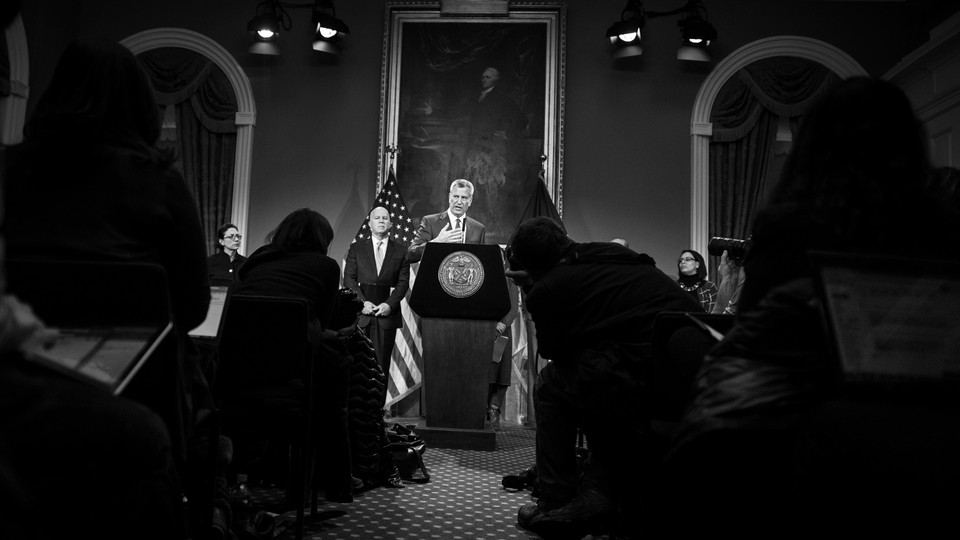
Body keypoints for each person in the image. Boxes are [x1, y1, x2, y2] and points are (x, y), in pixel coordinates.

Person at [658, 77, 960, 536]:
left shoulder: (790, 221)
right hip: (922, 384)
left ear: (813, 145)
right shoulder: (940, 221)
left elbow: (763, 336)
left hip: (806, 389)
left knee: (680, 337)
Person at [504, 216, 701, 539]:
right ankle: (599, 490)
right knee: (596, 372)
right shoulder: (614, 255)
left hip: (635, 382)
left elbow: (555, 351)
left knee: (551, 384)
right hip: (688, 374)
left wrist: (530, 287)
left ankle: (556, 500)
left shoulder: (547, 289)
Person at [230, 208, 355, 502]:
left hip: (239, 368)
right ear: (322, 239)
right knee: (336, 385)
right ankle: (336, 484)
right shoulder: (325, 266)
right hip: (293, 366)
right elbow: (321, 320)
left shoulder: (256, 260)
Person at [342, 206, 411, 381]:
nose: (381, 221)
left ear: (390, 224)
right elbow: (349, 278)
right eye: (377, 218)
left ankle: (378, 408)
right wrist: (361, 303)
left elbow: (403, 283)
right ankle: (356, 408)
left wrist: (390, 304)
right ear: (370, 224)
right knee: (356, 365)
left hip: (386, 317)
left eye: (385, 218)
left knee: (381, 367)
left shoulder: (402, 251)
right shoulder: (356, 249)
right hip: (360, 316)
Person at [462, 67, 527, 231]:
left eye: (488, 77)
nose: (483, 79)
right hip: (476, 148)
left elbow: (521, 120)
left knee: (492, 184)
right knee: (473, 183)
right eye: (483, 76)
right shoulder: (475, 98)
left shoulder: (503, 99)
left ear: (495, 80)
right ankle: (474, 222)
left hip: (493, 149)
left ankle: (493, 222)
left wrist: (506, 133)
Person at [406, 178, 486, 262]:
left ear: (470, 201)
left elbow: (480, 262)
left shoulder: (479, 229)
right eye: (455, 196)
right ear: (449, 197)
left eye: (464, 198)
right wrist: (436, 242)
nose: (459, 202)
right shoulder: (430, 222)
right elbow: (410, 255)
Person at [487, 248, 520, 431]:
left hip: (503, 333)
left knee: (500, 374)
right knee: (487, 373)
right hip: (484, 332)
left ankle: (494, 410)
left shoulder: (510, 278)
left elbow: (514, 307)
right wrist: (490, 325)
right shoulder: (481, 276)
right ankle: (482, 410)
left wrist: (502, 324)